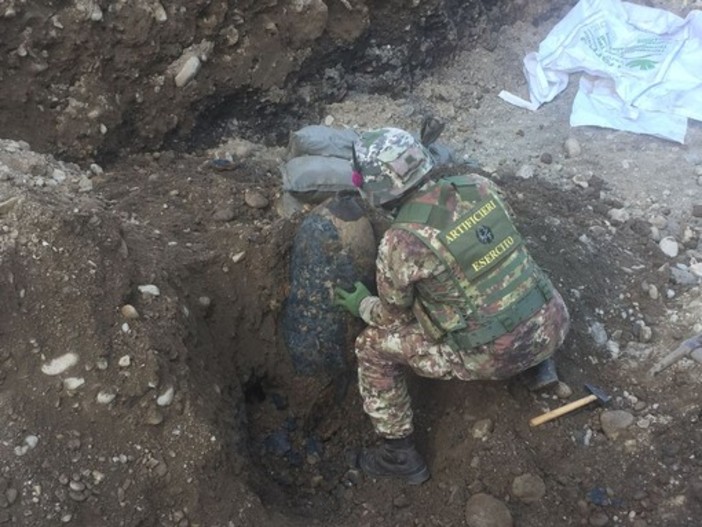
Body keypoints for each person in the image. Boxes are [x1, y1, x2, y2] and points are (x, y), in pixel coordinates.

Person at [334, 127, 570, 485]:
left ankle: (398, 454)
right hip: (553, 321)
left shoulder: (401, 242)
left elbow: (392, 318)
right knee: (506, 273)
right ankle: (540, 365)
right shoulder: (479, 186)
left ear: (373, 187)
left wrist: (363, 305)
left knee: (371, 348)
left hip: (493, 356)